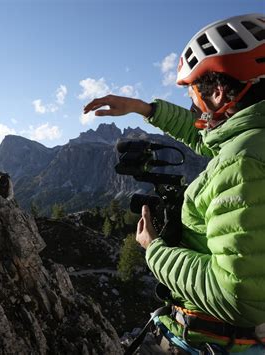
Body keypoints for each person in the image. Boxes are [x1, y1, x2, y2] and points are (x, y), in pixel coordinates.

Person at [84, 13, 265, 353]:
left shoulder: (244, 164)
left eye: (197, 91)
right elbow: (212, 139)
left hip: (220, 344)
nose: (194, 105)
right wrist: (144, 109)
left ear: (220, 93)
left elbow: (238, 296)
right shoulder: (254, 139)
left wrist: (155, 250)